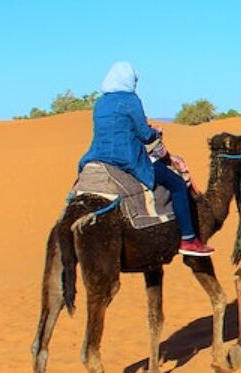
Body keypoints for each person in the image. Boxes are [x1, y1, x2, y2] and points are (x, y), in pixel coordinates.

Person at [78, 61, 213, 256]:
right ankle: (188, 239)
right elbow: (144, 134)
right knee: (176, 184)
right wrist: (155, 132)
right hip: (127, 158)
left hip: (96, 157)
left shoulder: (101, 103)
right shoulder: (130, 100)